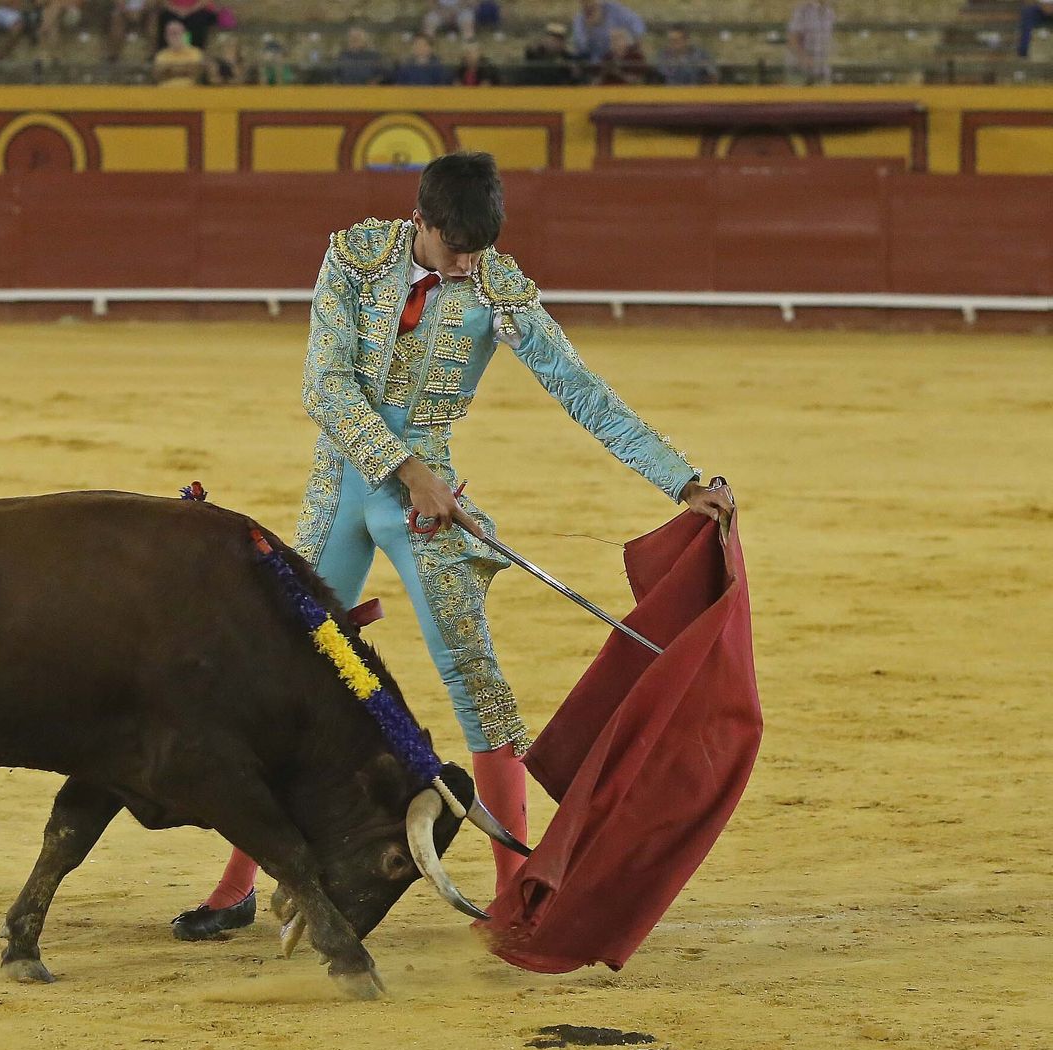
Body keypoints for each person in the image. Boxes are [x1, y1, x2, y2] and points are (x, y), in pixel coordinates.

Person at [169, 151, 734, 941]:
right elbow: (325, 385)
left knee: (479, 688)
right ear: (422, 221)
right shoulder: (354, 257)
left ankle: (517, 895)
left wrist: (680, 481)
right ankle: (236, 887)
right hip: (344, 493)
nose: (469, 263)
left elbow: (582, 392)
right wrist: (410, 472)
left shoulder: (499, 290)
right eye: (457, 247)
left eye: (480, 250)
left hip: (430, 511)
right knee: (282, 681)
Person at [570, 0, 642, 63]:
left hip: (623, 58)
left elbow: (637, 24)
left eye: (590, 1)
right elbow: (582, 49)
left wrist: (630, 41)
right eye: (583, 1)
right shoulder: (579, 21)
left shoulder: (613, 9)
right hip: (596, 65)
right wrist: (589, 30)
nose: (587, 4)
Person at [787, 0, 834, 84]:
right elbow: (793, 39)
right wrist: (804, 58)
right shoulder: (802, 11)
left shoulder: (829, 12)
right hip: (801, 74)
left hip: (821, 72)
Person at [152, 17, 202, 85]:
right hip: (165, 92)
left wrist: (170, 69)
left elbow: (195, 71)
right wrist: (184, 68)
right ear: (165, 36)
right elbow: (159, 74)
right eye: (171, 33)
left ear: (184, 34)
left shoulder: (196, 52)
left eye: (177, 33)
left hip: (190, 91)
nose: (174, 36)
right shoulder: (161, 55)